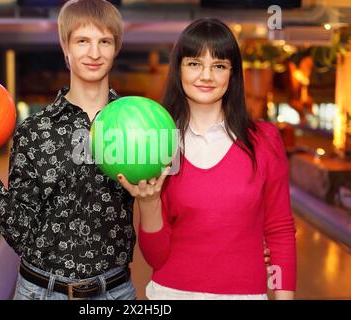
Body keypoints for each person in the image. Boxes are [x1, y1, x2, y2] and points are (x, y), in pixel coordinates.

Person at [0, 0, 137, 300]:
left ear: (115, 48)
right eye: (83, 41)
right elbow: (20, 231)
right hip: (42, 291)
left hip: (116, 292)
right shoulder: (35, 131)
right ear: (65, 47)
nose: (94, 53)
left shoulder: (136, 128)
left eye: (104, 41)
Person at [118, 18, 296, 300]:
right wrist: (148, 202)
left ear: (232, 74)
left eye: (219, 66)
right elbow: (155, 257)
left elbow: (279, 230)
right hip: (171, 294)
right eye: (194, 63)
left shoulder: (264, 141)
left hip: (245, 295)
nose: (206, 76)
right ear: (179, 69)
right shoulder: (160, 143)